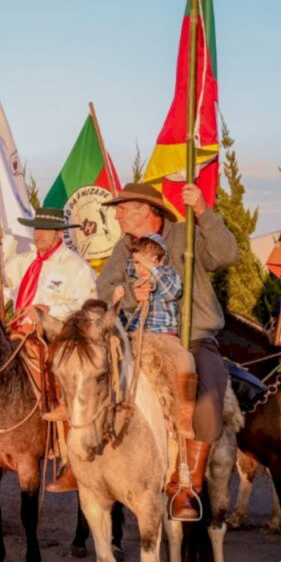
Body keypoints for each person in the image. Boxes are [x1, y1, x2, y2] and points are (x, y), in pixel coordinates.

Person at [97, 182, 237, 519]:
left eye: (123, 208)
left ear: (147, 211)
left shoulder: (185, 234)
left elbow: (225, 254)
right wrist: (129, 296)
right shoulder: (123, 248)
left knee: (209, 399)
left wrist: (203, 210)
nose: (116, 215)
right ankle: (86, 464)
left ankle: (187, 487)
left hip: (194, 337)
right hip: (138, 336)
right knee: (90, 379)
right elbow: (104, 288)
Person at [0, 207, 98, 493]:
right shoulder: (24, 261)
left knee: (65, 379)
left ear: (59, 233)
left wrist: (50, 311)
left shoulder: (76, 267)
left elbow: (88, 306)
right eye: (36, 229)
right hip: (18, 332)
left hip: (55, 336)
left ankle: (69, 452)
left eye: (44, 229)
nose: (38, 234)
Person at [116, 233, 197, 439]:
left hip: (164, 337)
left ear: (160, 260)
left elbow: (172, 292)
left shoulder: (169, 276)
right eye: (136, 262)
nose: (140, 267)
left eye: (146, 261)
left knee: (185, 359)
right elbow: (122, 318)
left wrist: (153, 269)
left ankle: (185, 415)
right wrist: (119, 300)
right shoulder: (131, 284)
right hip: (136, 337)